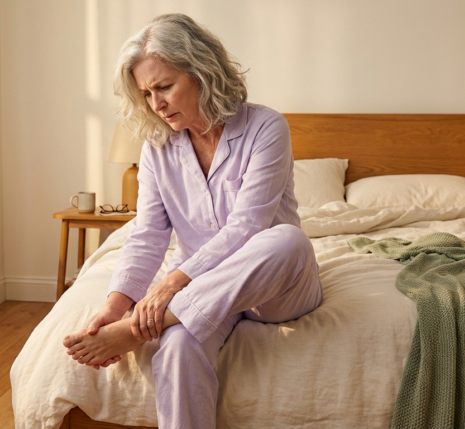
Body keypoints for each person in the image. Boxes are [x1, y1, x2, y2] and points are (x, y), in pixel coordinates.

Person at [62, 13, 322, 428]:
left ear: (203, 72)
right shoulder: (156, 147)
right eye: (147, 93)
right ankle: (154, 324)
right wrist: (116, 308)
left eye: (164, 86)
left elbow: (247, 227)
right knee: (178, 348)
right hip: (199, 293)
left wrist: (167, 288)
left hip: (273, 288)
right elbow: (147, 234)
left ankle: (142, 329)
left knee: (287, 239)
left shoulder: (266, 127)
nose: (156, 103)